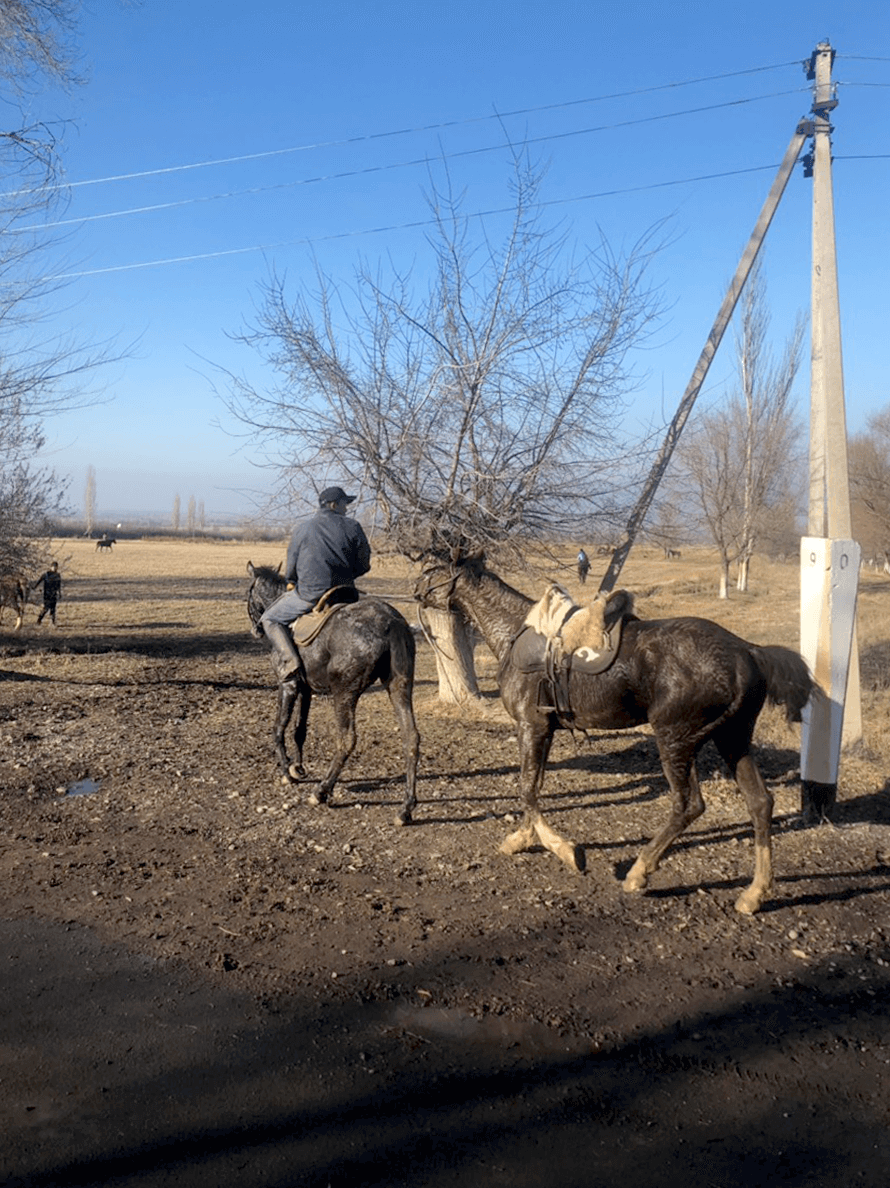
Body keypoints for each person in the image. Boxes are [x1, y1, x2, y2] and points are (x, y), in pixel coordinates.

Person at [260, 485, 371, 681]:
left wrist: (292, 580)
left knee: (269, 619)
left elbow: (292, 564)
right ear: (333, 504)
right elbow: (364, 564)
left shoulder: (303, 528)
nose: (347, 508)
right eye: (345, 504)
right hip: (346, 593)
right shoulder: (353, 526)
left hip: (312, 594)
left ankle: (290, 661)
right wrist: (345, 575)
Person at [33, 561, 62, 626]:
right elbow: (39, 581)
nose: (54, 568)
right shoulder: (46, 574)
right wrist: (34, 587)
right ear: (51, 567)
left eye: (56, 567)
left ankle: (53, 623)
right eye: (53, 567)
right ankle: (39, 620)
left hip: (54, 594)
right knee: (46, 608)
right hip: (47, 594)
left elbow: (59, 585)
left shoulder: (57, 575)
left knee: (53, 609)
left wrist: (59, 593)